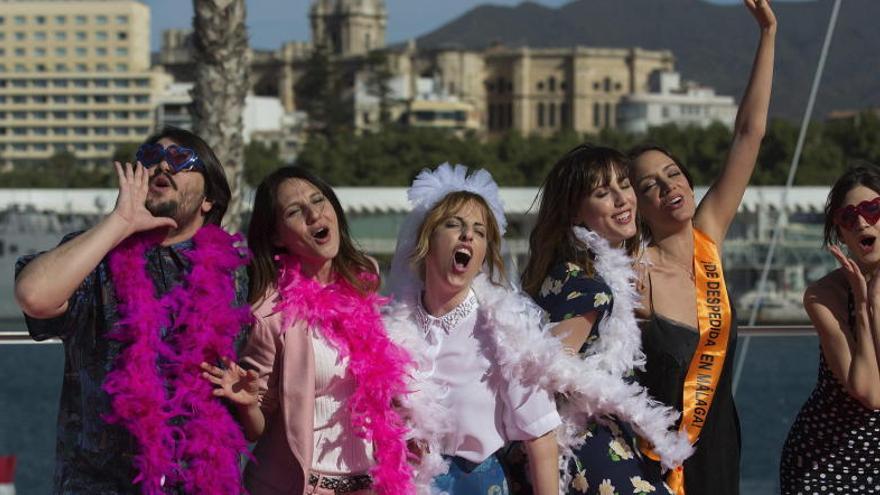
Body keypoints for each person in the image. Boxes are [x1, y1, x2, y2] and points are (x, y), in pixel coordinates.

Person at [13, 127, 250, 494]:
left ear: (209, 200)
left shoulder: (238, 274)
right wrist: (119, 223)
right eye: (150, 156)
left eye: (179, 159)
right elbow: (34, 295)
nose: (161, 166)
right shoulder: (95, 259)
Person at [627, 1, 776, 493]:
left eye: (672, 173)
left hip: (720, 449)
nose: (667, 186)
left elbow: (748, 135)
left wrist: (768, 34)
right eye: (648, 185)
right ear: (638, 206)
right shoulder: (630, 275)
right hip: (657, 460)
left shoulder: (707, 237)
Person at [200, 166, 413, 495]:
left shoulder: (362, 281)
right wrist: (246, 404)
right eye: (295, 211)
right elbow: (257, 427)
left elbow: (373, 381)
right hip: (303, 486)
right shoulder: (270, 314)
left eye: (319, 200)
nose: (315, 213)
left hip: (373, 484)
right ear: (276, 235)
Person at [510, 144, 692, 495]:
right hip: (582, 445)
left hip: (599, 437)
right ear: (576, 213)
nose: (622, 199)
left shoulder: (583, 273)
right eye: (602, 193)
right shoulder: (588, 289)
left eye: (624, 185)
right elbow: (546, 376)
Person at [382, 163, 560, 495]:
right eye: (454, 225)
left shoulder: (504, 328)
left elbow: (541, 437)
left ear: (483, 255)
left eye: (479, 232)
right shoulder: (391, 327)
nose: (468, 236)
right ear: (426, 240)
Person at [780, 164, 880, 494]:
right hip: (828, 460)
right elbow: (869, 392)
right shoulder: (824, 296)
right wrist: (867, 308)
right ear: (840, 232)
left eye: (873, 209)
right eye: (849, 217)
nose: (863, 221)